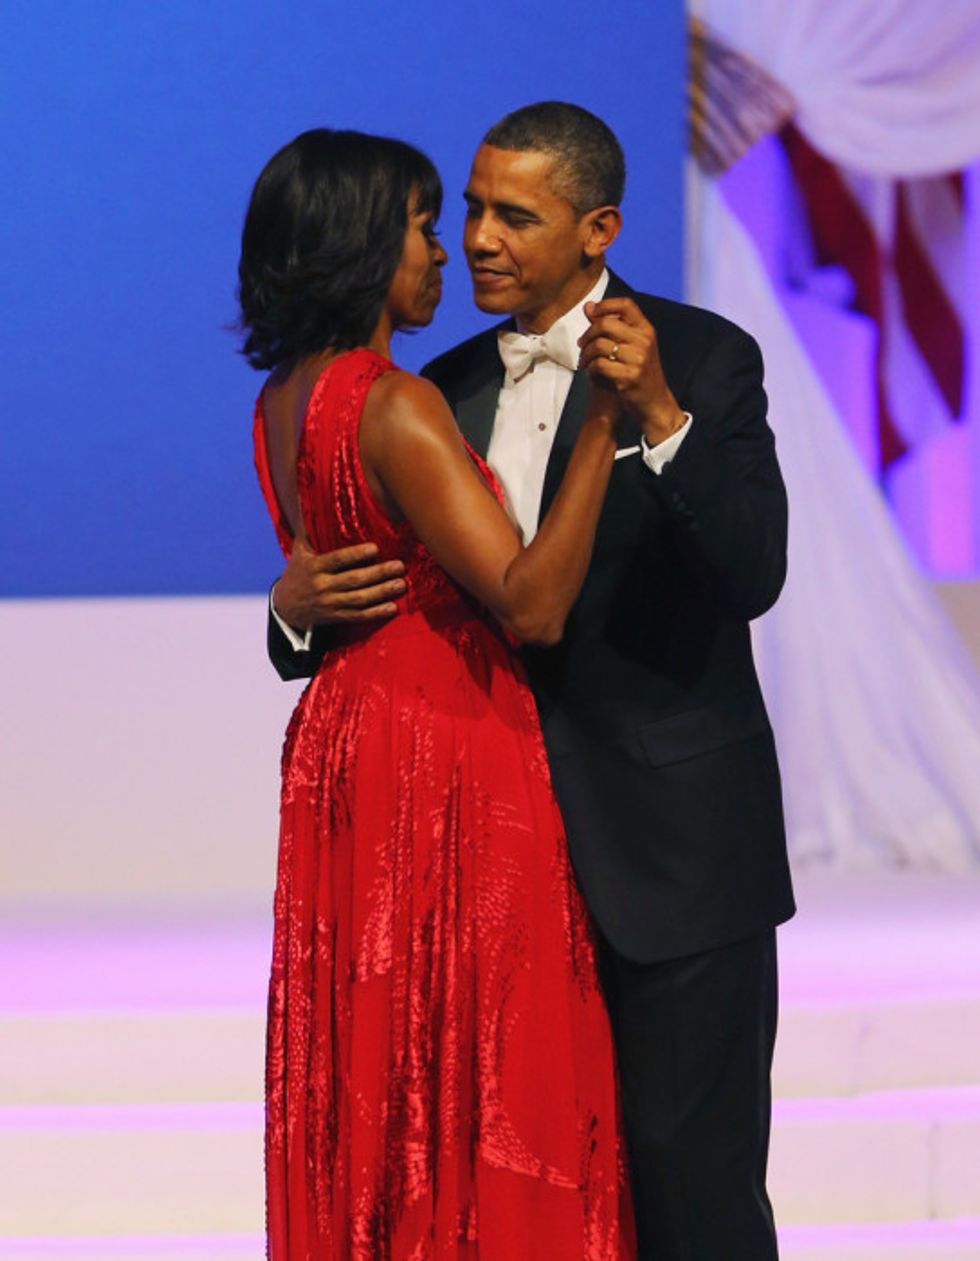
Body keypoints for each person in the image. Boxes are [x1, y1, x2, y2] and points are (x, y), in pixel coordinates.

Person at [269, 103, 796, 1260]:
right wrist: (288, 610)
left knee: (688, 1195)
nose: (477, 239)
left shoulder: (705, 357)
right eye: (466, 209)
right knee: (526, 1194)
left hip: (666, 859)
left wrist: (655, 416)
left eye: (514, 215)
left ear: (597, 228)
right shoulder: (433, 385)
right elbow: (382, 594)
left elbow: (753, 572)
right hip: (486, 869)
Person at [240, 127, 635, 1258]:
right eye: (423, 226)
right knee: (473, 1053)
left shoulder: (282, 397)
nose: (446, 251)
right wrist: (603, 426)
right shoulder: (395, 401)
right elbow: (528, 601)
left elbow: (326, 578)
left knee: (380, 1051)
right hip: (442, 743)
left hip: (346, 738)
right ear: (366, 244)